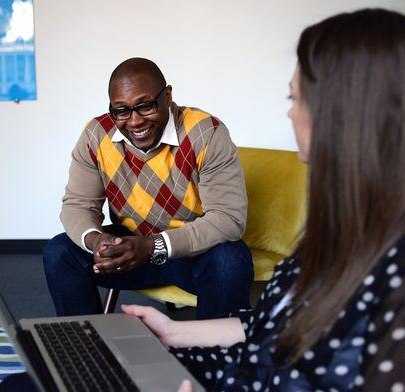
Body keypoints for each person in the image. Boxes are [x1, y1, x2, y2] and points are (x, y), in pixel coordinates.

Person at [122, 8, 405, 391]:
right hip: (237, 367)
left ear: (342, 113)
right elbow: (271, 325)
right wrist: (174, 333)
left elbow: (227, 221)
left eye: (295, 98)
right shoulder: (344, 230)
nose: (289, 112)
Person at [43, 57, 253, 320]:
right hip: (129, 248)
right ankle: (86, 350)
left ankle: (215, 358)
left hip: (190, 251)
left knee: (230, 260)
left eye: (145, 106)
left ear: (167, 96)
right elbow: (78, 205)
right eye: (121, 110)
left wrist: (153, 246)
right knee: (59, 253)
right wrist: (96, 241)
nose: (134, 121)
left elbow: (228, 219)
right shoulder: (96, 135)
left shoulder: (206, 133)